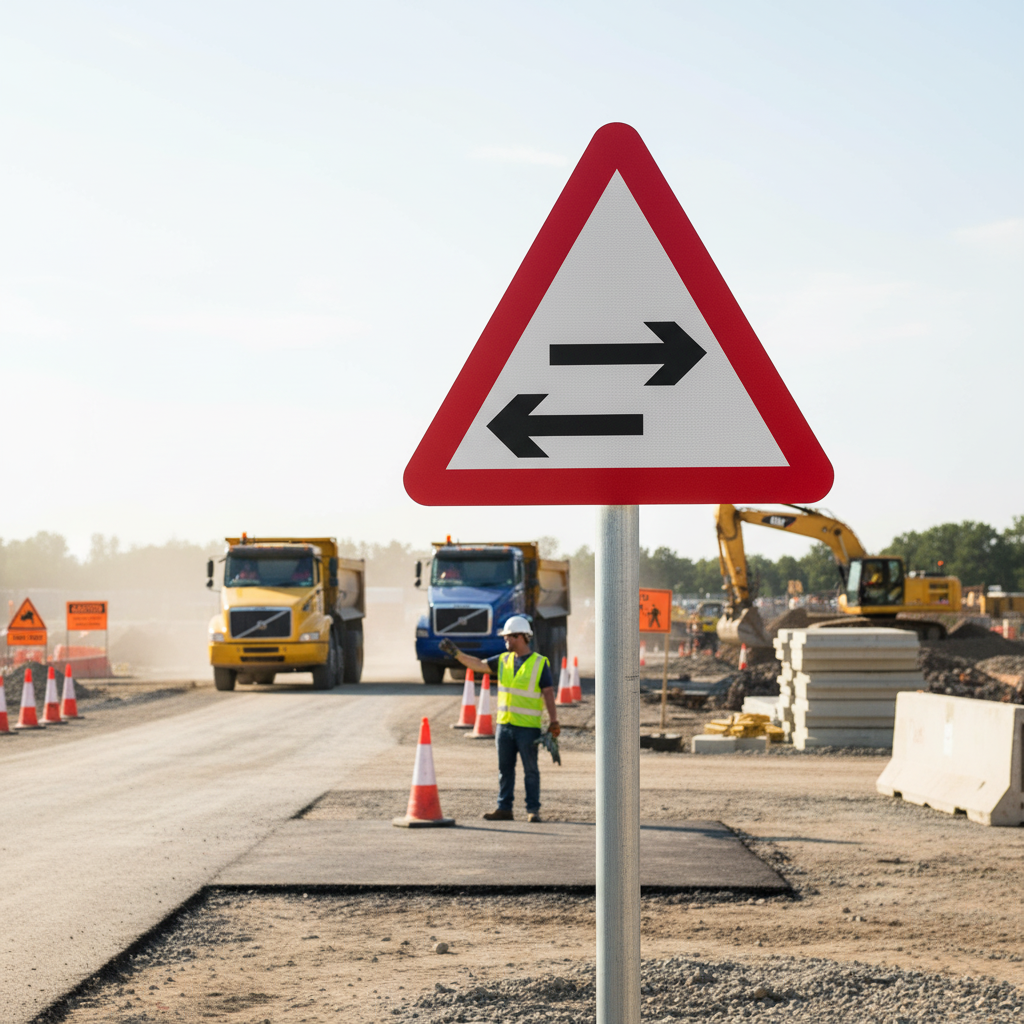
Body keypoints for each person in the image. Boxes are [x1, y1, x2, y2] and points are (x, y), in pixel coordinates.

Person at [440, 615, 560, 823]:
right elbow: (478, 665)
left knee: (531, 771)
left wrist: (554, 721)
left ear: (520, 636)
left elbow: (548, 693)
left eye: (508, 636)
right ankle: (504, 808)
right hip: (505, 726)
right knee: (505, 770)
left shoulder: (539, 663)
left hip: (528, 728)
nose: (505, 640)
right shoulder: (503, 660)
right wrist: (456, 654)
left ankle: (533, 810)